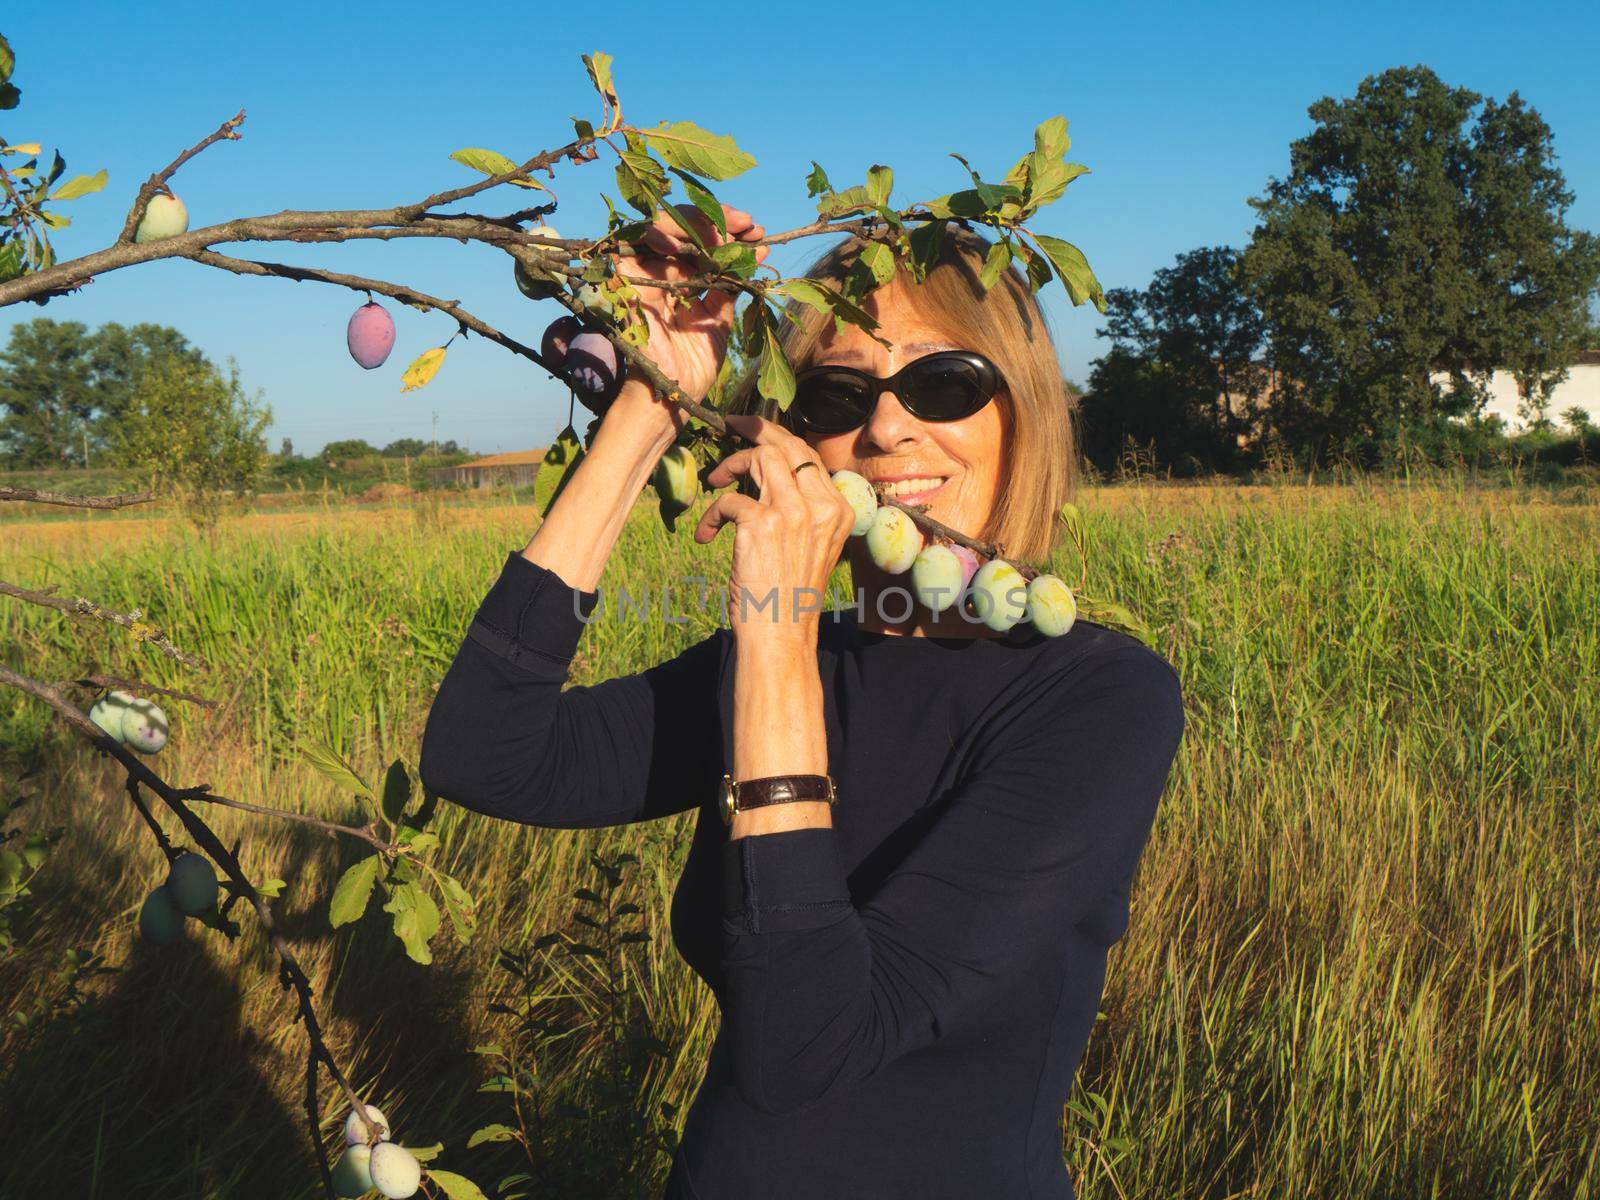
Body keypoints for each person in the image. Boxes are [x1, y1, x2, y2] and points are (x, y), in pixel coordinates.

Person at [418, 203, 1185, 1199]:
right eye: (834, 394)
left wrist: (774, 628)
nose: (887, 426)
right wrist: (648, 411)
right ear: (793, 437)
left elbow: (808, 1047)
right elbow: (486, 751)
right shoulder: (788, 665)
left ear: (1020, 413)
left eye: (942, 382)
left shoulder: (1097, 696)